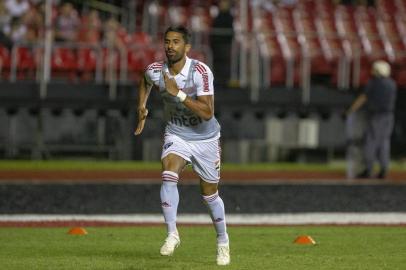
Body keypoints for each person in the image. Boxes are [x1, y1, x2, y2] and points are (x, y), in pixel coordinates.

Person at [134, 26, 230, 266]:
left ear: (187, 47)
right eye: (167, 41)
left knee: (209, 195)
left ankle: (222, 241)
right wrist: (142, 106)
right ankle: (172, 234)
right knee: (168, 172)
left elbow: (208, 112)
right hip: (177, 134)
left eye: (176, 42)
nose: (170, 46)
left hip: (206, 139)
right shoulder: (156, 71)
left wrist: (179, 95)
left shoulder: (200, 72)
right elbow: (145, 81)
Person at [347, 60, 397, 179]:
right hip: (389, 116)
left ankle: (368, 169)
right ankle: (384, 169)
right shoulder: (392, 84)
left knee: (371, 141)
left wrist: (350, 110)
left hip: (376, 116)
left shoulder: (374, 83)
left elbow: (363, 98)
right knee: (384, 142)